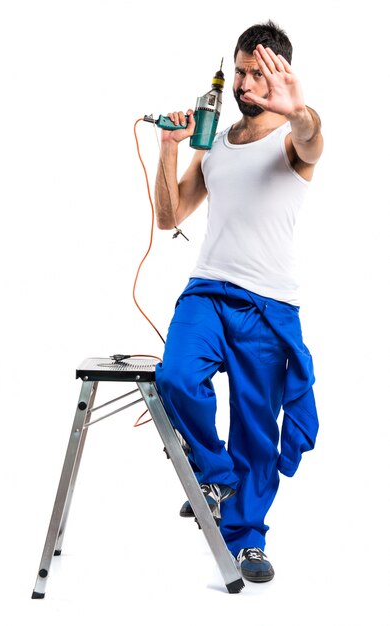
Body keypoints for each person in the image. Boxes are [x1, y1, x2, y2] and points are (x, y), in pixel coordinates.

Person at [153, 20, 323, 584]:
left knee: (257, 430)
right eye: (242, 72)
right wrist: (169, 149)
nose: (247, 83)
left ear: (279, 76)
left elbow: (312, 139)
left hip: (270, 306)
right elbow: (169, 216)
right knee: (176, 376)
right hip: (209, 290)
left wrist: (298, 110)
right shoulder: (218, 145)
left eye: (259, 74)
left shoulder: (292, 141)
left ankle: (247, 539)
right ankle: (216, 475)